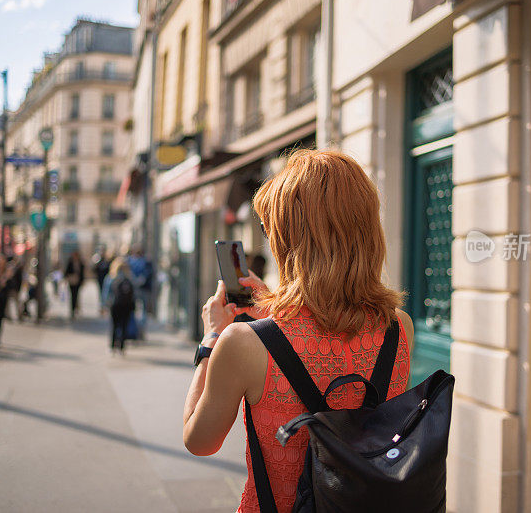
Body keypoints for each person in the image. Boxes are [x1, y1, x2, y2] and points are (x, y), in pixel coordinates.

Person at [182, 149, 415, 512]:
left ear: (289, 239)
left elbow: (199, 441)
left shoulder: (242, 343)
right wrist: (271, 305)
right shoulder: (399, 327)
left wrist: (211, 338)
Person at [106, 261, 135, 355]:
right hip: (126, 306)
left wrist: (104, 304)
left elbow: (106, 292)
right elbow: (135, 292)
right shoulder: (129, 278)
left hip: (115, 305)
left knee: (114, 326)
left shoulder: (111, 278)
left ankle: (113, 346)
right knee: (124, 326)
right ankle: (122, 347)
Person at [127, 246, 154, 337]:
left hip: (133, 289)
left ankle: (133, 331)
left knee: (133, 310)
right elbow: (148, 275)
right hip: (144, 289)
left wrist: (134, 281)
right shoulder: (146, 262)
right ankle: (140, 331)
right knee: (143, 311)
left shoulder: (130, 261)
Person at [64, 251, 85, 319]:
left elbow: (82, 273)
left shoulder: (81, 263)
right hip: (72, 281)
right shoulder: (70, 262)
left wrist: (82, 281)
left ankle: (76, 308)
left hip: (78, 281)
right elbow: (66, 271)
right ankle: (73, 309)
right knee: (72, 295)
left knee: (76, 295)